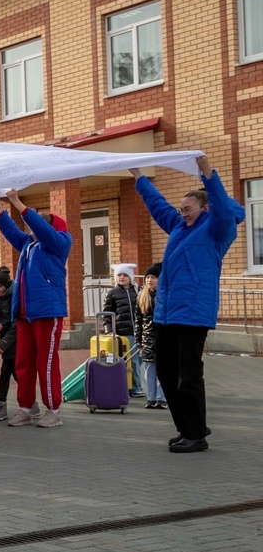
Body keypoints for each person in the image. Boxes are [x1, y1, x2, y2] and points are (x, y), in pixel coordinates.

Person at [132, 157, 243, 452]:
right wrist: (139, 176)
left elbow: (221, 205)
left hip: (194, 311)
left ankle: (195, 435)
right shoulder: (179, 227)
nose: (183, 214)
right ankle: (188, 427)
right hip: (168, 312)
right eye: (181, 209)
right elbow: (159, 207)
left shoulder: (218, 228)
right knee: (166, 371)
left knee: (189, 373)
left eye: (188, 209)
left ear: (205, 208)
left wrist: (207, 173)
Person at [0, 189, 71, 429]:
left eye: (36, 227)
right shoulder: (28, 244)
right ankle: (26, 408)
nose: (32, 231)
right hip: (25, 314)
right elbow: (12, 232)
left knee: (46, 362)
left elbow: (44, 231)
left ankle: (53, 410)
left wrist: (17, 202)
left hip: (47, 312)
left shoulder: (59, 243)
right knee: (23, 362)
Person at [102, 263, 141, 396]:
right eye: (119, 275)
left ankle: (132, 384)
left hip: (138, 331)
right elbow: (107, 313)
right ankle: (135, 387)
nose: (122, 277)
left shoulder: (137, 291)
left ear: (131, 277)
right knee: (131, 360)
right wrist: (109, 330)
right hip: (124, 332)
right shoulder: (112, 293)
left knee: (139, 359)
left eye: (125, 275)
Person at [134, 263, 166, 410]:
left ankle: (162, 398)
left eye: (153, 277)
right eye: (147, 277)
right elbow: (138, 320)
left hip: (162, 337)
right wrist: (138, 338)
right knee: (149, 370)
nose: (149, 280)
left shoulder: (164, 295)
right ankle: (151, 398)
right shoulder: (142, 296)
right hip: (147, 339)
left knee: (162, 369)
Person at [0, 267, 18, 422]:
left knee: (7, 371)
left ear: (6, 285)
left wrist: (3, 344)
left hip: (15, 341)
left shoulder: (14, 298)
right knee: (13, 372)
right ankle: (31, 403)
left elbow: (16, 324)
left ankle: (2, 407)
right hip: (7, 340)